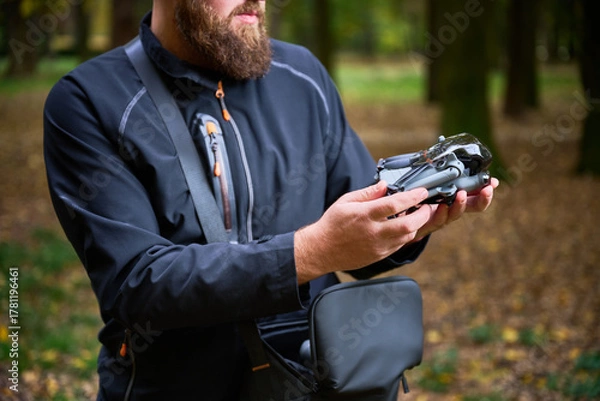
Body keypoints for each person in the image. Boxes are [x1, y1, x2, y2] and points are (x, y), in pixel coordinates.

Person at [43, 0, 498, 399]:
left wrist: (413, 222)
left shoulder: (304, 77)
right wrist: (309, 252)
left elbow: (357, 248)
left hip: (312, 384)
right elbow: (137, 284)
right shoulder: (88, 101)